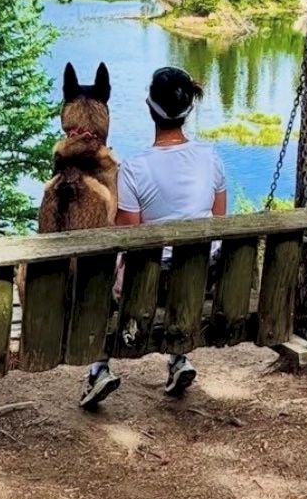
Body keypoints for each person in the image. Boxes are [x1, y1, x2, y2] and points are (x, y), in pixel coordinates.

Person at [80, 66, 227, 409]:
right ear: (189, 110)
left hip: (149, 286)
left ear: (149, 107)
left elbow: (127, 237)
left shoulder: (134, 168)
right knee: (186, 266)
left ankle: (98, 368)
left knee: (105, 276)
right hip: (205, 278)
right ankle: (178, 359)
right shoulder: (212, 159)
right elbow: (220, 223)